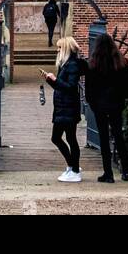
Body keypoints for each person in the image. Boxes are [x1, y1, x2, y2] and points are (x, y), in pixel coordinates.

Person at [85, 32, 128, 182]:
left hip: (100, 106)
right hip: (116, 104)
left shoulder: (93, 65)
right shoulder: (122, 63)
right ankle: (126, 171)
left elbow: (89, 89)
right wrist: (121, 99)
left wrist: (93, 104)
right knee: (119, 136)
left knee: (104, 139)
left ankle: (108, 173)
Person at [42, 36, 85, 182]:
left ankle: (74, 169)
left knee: (64, 138)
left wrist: (55, 79)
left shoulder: (72, 65)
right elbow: (62, 87)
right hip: (63, 107)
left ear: (65, 49)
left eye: (59, 48)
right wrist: (51, 80)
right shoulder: (66, 65)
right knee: (65, 138)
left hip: (68, 108)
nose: (57, 50)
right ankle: (73, 167)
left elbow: (71, 87)